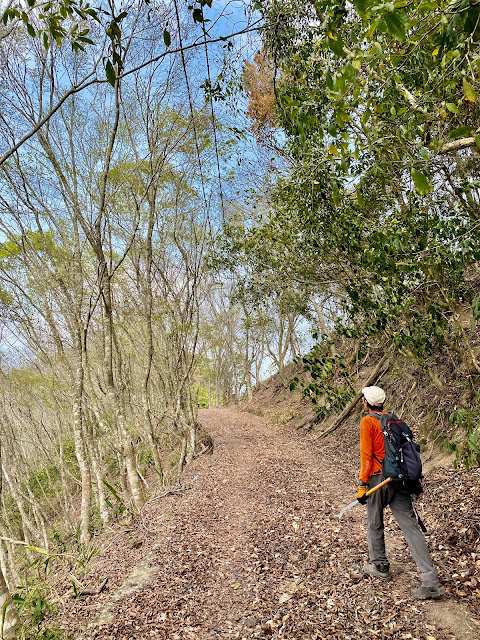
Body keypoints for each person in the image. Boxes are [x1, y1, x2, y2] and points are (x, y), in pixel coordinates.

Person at [356, 385, 445, 599]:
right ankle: (429, 580)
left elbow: (367, 457)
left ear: (367, 403)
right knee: (412, 529)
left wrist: (362, 486)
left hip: (379, 479)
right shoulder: (396, 421)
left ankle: (380, 567)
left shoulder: (368, 421)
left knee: (374, 523)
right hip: (400, 481)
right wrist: (416, 486)